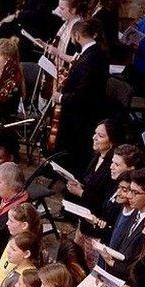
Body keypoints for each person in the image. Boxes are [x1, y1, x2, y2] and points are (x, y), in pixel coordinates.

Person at [56, 19, 109, 174]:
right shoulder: (95, 52)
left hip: (82, 116)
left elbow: (82, 95)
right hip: (88, 110)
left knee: (73, 152)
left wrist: (59, 98)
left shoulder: (89, 57)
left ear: (77, 36)